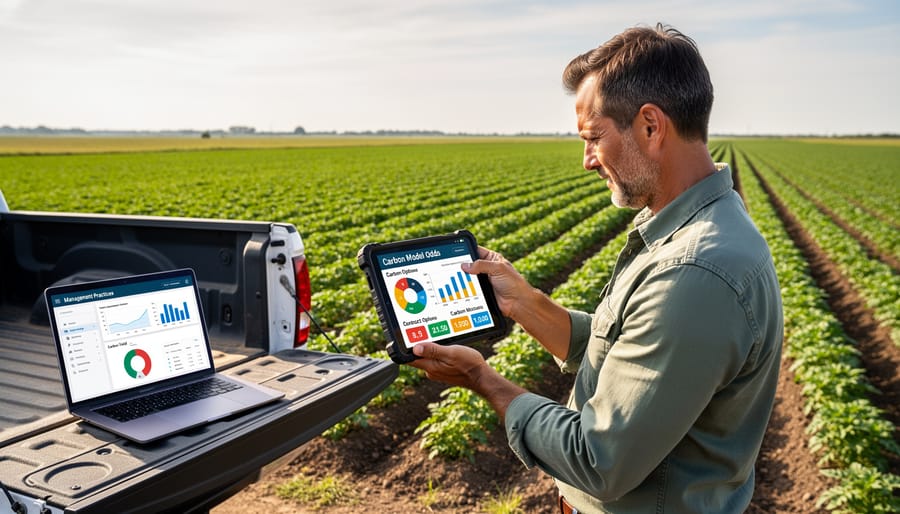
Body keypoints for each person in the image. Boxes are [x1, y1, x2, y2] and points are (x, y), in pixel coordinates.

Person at [408, 23, 783, 514]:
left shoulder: (696, 271)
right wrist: (524, 302)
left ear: (650, 126)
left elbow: (598, 459)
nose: (587, 160)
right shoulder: (695, 226)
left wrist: (484, 380)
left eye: (594, 137)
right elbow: (626, 351)